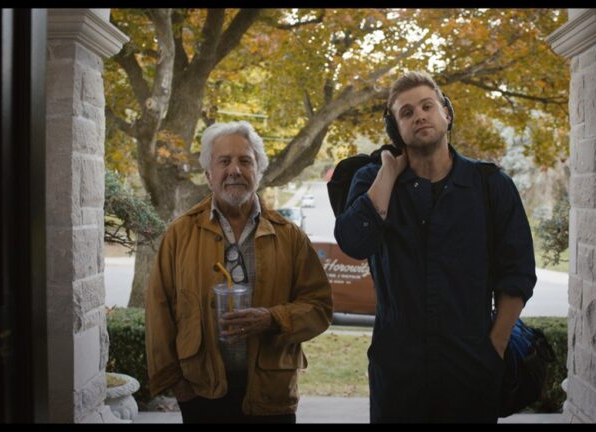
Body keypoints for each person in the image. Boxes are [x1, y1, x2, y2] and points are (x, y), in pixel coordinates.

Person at [334, 71, 536, 423]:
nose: (419, 116)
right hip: (398, 372)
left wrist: (495, 346)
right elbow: (354, 242)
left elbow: (517, 273)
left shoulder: (491, 185)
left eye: (427, 106)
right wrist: (388, 172)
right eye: (406, 112)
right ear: (395, 128)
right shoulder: (372, 180)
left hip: (471, 368)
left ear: (447, 113)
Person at [146, 120, 333, 423]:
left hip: (271, 395)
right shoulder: (180, 234)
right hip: (201, 394)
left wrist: (272, 318)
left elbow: (319, 308)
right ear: (208, 175)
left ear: (258, 171)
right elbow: (159, 310)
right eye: (224, 161)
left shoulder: (290, 237)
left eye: (245, 161)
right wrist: (178, 386)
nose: (235, 170)